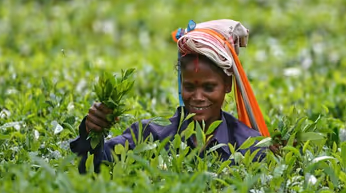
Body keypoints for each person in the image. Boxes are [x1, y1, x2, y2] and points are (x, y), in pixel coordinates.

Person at [70, 19, 270, 173]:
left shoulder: (249, 144)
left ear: (227, 85)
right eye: (190, 86)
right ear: (181, 84)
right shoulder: (150, 134)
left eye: (209, 87)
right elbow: (95, 167)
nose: (198, 97)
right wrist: (91, 132)